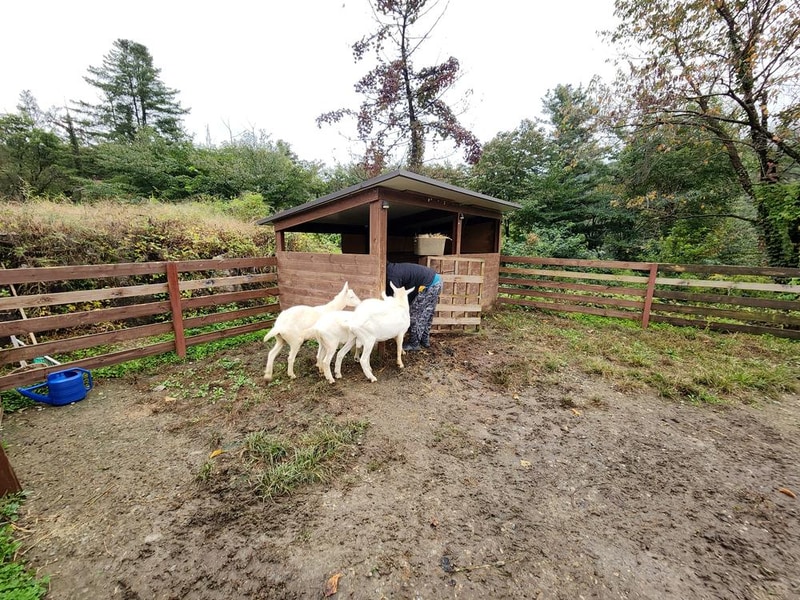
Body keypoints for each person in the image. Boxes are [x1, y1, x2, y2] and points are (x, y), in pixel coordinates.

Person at [386, 262, 443, 351]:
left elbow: (396, 295)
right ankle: (424, 340)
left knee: (414, 315)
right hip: (437, 280)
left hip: (428, 285)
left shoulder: (391, 274)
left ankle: (414, 344)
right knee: (427, 314)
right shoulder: (394, 268)